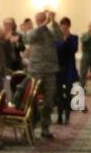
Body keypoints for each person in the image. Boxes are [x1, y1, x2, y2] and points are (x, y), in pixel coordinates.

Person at [24, 10, 60, 139]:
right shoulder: (33, 31)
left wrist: (54, 22)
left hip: (50, 71)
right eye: (40, 19)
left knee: (49, 101)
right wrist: (43, 24)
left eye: (44, 19)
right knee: (31, 101)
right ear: (36, 20)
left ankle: (45, 127)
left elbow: (60, 36)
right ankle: (29, 127)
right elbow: (29, 38)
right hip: (36, 70)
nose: (43, 21)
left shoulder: (50, 32)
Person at [54, 17, 80, 124]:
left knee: (69, 94)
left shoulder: (74, 37)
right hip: (59, 68)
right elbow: (57, 50)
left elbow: (73, 49)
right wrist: (63, 40)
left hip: (69, 68)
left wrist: (67, 39)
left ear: (69, 26)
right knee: (59, 94)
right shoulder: (57, 38)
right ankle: (59, 116)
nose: (63, 27)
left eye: (65, 25)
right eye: (62, 25)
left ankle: (67, 116)